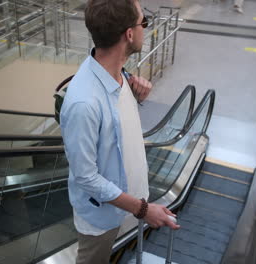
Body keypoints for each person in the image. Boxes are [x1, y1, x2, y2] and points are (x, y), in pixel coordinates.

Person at [59, 0, 180, 263]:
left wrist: (135, 90)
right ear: (129, 34)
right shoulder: (84, 103)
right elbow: (86, 178)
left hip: (126, 202)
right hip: (103, 215)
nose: (145, 28)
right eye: (143, 22)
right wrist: (143, 210)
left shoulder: (117, 74)